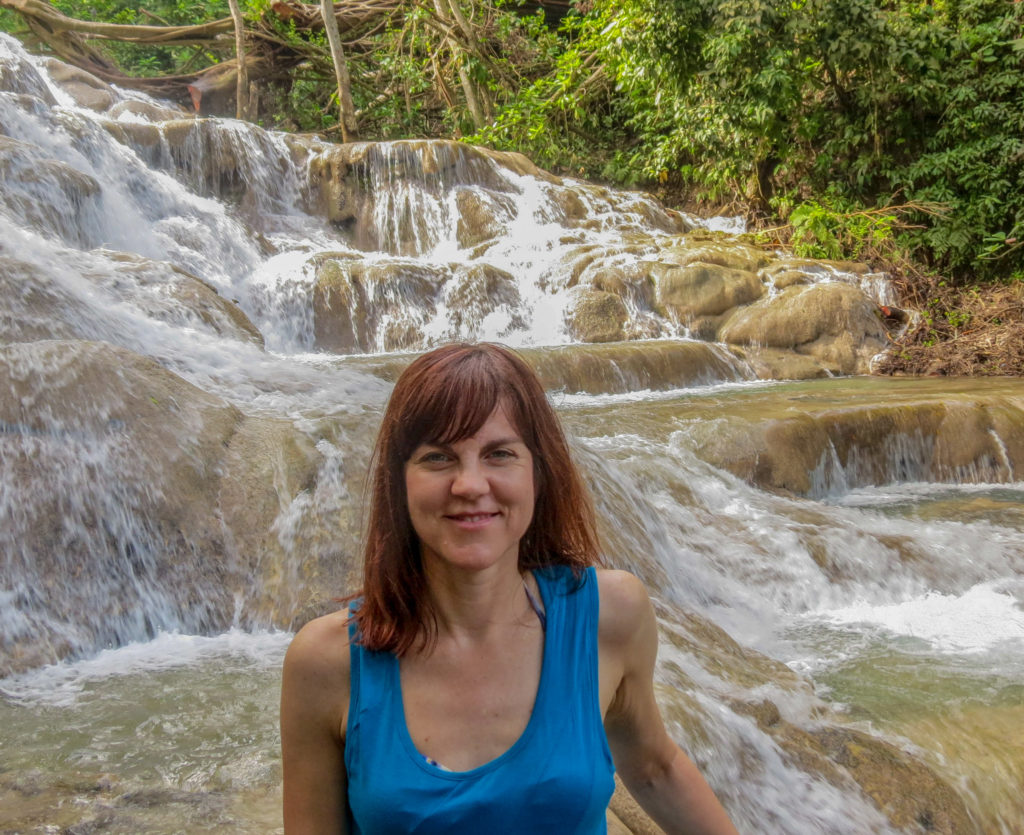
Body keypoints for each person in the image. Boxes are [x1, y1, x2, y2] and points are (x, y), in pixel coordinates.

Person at [280, 342, 739, 835]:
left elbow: (655, 767)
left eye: (499, 454)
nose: (470, 484)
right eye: (438, 457)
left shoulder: (611, 615)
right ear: (400, 483)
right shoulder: (326, 663)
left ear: (538, 474)